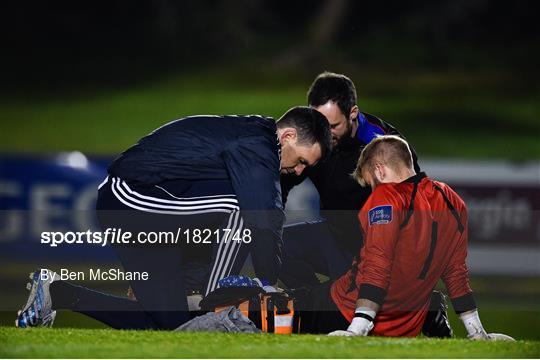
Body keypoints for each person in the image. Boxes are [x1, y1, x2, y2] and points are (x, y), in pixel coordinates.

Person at [16, 107, 332, 330]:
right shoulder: (258, 145)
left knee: (172, 323)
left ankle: (58, 292)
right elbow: (262, 218)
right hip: (133, 200)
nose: (301, 170)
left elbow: (209, 208)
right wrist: (266, 282)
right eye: (302, 160)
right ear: (287, 135)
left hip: (145, 210)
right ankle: (212, 302)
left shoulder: (257, 144)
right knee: (243, 210)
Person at [296, 135, 513, 341]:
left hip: (345, 308)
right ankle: (446, 319)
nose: (373, 191)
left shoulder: (385, 197)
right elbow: (456, 271)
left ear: (380, 171)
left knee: (280, 307)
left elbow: (377, 263)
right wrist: (476, 332)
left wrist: (358, 327)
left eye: (371, 184)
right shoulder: (452, 200)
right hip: (406, 327)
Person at [280, 72, 420, 288]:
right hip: (333, 236)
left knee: (349, 307)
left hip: (375, 251)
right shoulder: (311, 136)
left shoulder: (383, 145)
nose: (324, 134)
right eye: (318, 123)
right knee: (276, 245)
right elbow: (279, 186)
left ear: (353, 113)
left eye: (333, 126)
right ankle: (313, 306)